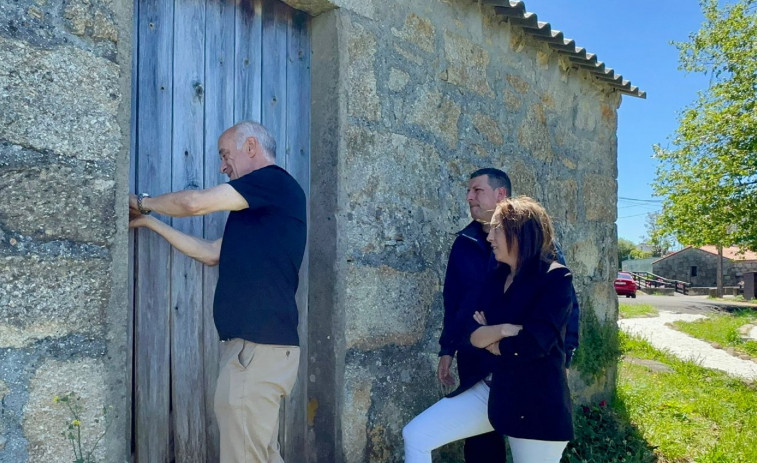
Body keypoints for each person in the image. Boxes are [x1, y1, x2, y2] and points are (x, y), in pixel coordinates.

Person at [128, 121, 306, 463]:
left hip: (256, 351)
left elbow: (195, 203)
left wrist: (141, 201)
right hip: (258, 352)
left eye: (226, 154)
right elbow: (211, 252)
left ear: (251, 147)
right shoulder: (264, 208)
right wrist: (150, 222)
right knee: (261, 456)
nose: (223, 166)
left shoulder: (273, 181)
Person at [405, 196, 574, 463]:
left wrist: (491, 335)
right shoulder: (497, 277)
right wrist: (506, 329)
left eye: (496, 229)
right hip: (492, 388)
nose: (489, 237)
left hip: (535, 401)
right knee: (416, 435)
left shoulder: (554, 278)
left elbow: (532, 345)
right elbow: (468, 333)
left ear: (518, 232)